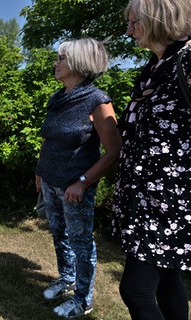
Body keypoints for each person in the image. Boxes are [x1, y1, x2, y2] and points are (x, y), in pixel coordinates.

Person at [112, 0, 191, 318]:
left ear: (158, 19)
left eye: (134, 22)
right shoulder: (154, 68)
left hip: (170, 200)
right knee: (167, 282)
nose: (128, 29)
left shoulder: (188, 59)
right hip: (144, 197)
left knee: (135, 289)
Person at [35, 38, 121, 318]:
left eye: (61, 58)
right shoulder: (59, 97)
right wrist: (40, 171)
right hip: (50, 180)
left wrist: (83, 182)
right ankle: (67, 278)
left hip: (75, 186)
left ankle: (83, 299)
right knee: (59, 234)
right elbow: (49, 139)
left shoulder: (97, 100)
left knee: (81, 242)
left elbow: (114, 151)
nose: (55, 63)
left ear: (79, 63)